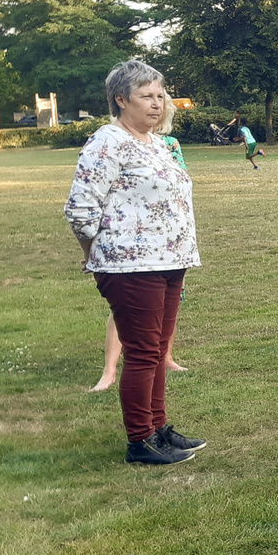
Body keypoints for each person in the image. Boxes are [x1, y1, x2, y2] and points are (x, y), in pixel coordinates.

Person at [65, 60, 204, 465]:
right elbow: (80, 209)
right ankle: (140, 440)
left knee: (157, 349)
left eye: (161, 95)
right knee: (143, 351)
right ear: (120, 99)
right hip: (129, 265)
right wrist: (91, 255)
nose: (157, 103)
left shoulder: (156, 143)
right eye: (147, 96)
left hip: (169, 258)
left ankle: (159, 429)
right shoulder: (106, 142)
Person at [89, 98, 190, 391]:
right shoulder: (112, 141)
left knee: (166, 311)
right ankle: (109, 371)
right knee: (127, 314)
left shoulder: (168, 145)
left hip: (169, 246)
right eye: (149, 100)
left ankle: (166, 357)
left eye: (161, 102)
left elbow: (181, 183)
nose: (156, 108)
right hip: (133, 252)